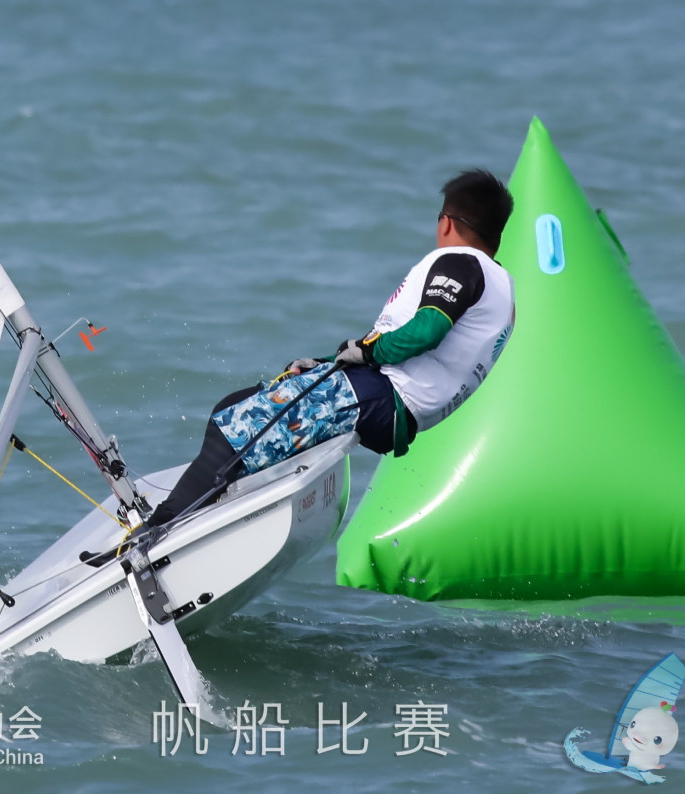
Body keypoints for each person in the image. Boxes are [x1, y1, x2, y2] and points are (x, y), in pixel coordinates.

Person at [142, 168, 517, 531]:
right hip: (389, 401)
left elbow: (426, 332)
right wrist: (325, 363)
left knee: (234, 428)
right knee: (233, 406)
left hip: (382, 394)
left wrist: (367, 353)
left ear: (446, 222)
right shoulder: (505, 295)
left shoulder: (462, 264)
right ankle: (205, 508)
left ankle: (157, 533)